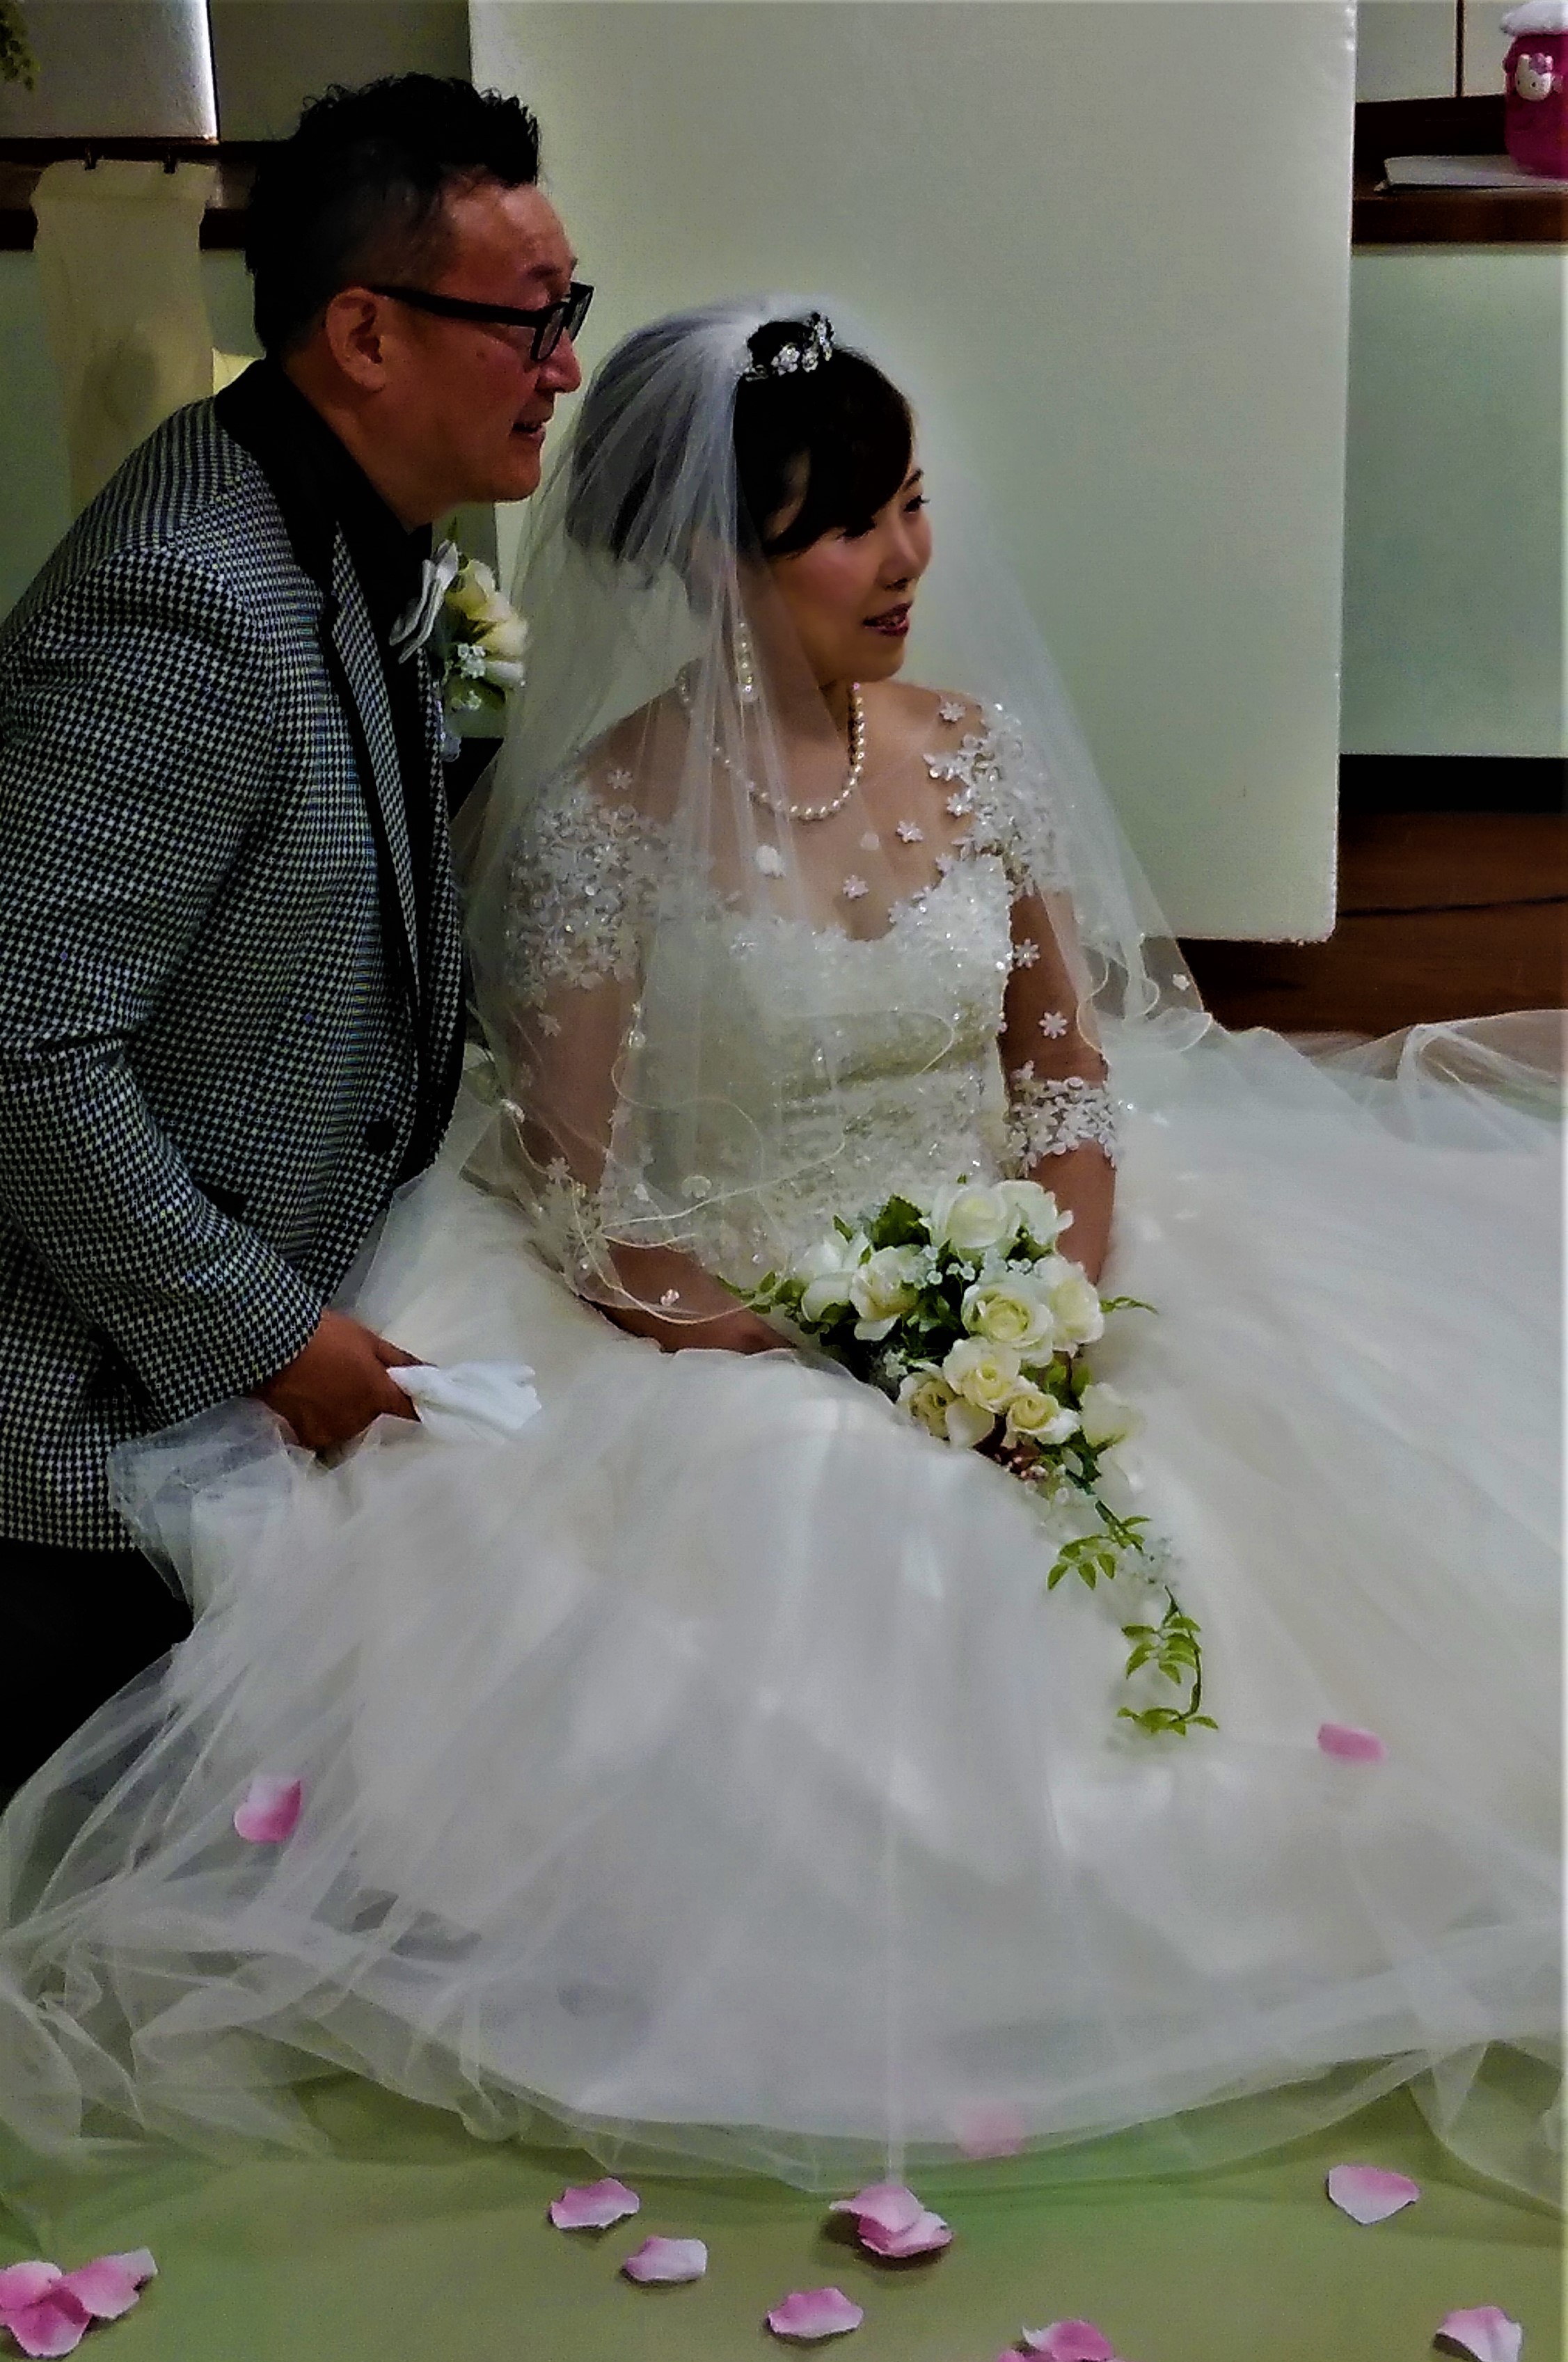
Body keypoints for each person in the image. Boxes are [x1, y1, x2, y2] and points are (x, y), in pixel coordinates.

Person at [0, 306, 1557, 2208]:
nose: (906, 560)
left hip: (1011, 1272)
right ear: (716, 559)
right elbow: (577, 1182)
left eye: (913, 506)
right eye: (847, 527)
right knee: (830, 1586)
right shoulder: (606, 820)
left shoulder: (976, 757)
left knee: (1317, 1572)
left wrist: (1051, 1296)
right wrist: (814, 1340)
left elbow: (1061, 1071)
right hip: (725, 1315)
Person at [0, 76, 585, 1789]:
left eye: (570, 310)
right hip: (92, 1420)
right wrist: (263, 1332)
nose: (561, 365)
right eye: (529, 321)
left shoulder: (327, 514)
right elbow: (23, 1037)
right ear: (365, 333)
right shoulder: (187, 595)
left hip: (276, 1303)